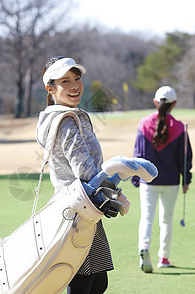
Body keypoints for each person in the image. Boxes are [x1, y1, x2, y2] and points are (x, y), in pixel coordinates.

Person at [36, 56, 130, 294]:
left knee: (96, 281)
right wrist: (116, 192)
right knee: (83, 281)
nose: (75, 86)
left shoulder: (66, 115)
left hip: (84, 207)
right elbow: (86, 170)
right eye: (65, 81)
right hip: (79, 209)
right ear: (51, 88)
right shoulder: (66, 121)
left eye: (77, 78)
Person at [131, 86, 193, 273]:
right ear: (174, 104)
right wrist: (186, 180)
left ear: (156, 102)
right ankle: (163, 258)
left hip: (148, 181)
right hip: (171, 182)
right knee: (166, 221)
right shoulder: (180, 127)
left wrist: (136, 179)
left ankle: (144, 248)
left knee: (146, 219)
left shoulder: (143, 124)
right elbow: (185, 158)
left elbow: (137, 154)